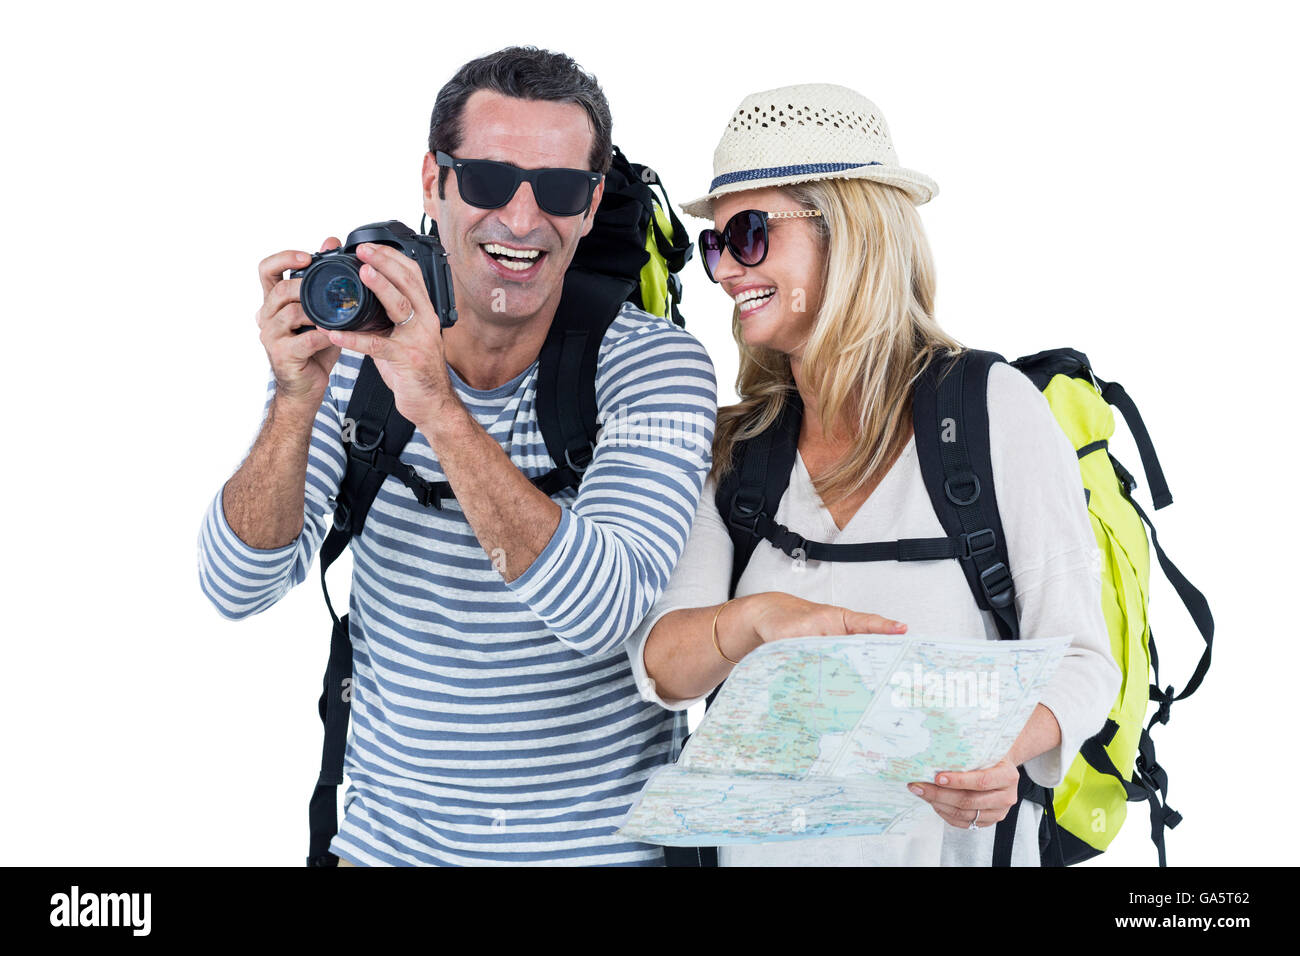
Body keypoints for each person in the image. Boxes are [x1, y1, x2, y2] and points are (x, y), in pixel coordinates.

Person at [197, 47, 717, 866]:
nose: (519, 219)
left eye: (557, 190)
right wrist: (297, 399)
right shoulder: (354, 354)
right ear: (434, 181)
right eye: (485, 181)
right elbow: (234, 587)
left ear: (589, 207)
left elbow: (604, 611)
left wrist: (436, 407)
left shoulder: (655, 368)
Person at [627, 83, 1121, 866]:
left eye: (750, 234)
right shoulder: (737, 446)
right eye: (714, 245)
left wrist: (1002, 754)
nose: (724, 271)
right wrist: (756, 620)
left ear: (850, 230)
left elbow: (1086, 661)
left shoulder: (994, 413)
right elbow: (666, 665)